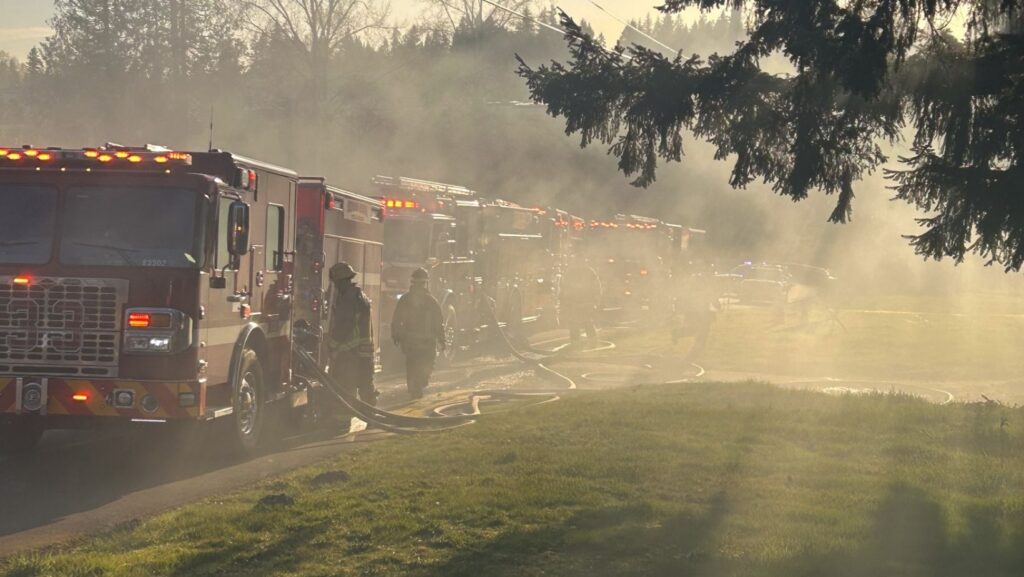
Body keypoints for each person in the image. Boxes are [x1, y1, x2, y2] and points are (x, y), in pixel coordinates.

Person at [327, 262, 377, 406]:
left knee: (345, 387)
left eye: (336, 283)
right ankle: (371, 414)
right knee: (365, 385)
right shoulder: (359, 295)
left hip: (350, 353)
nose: (336, 286)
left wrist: (332, 346)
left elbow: (344, 325)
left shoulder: (347, 299)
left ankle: (344, 417)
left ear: (341, 281)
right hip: (364, 352)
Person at [391, 268, 445, 399]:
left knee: (416, 365)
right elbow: (438, 323)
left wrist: (396, 335)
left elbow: (396, 320)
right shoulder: (430, 301)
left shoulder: (407, 299)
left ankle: (417, 385)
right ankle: (415, 387)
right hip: (421, 342)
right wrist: (441, 340)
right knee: (418, 365)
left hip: (417, 342)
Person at [559, 258, 602, 345]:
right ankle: (581, 342)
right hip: (576, 303)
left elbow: (596, 287)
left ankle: (585, 341)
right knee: (579, 322)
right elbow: (564, 287)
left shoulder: (586, 272)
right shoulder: (587, 271)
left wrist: (595, 300)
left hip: (583, 302)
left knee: (584, 322)